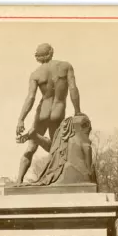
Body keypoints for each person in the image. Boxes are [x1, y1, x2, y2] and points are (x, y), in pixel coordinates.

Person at [15, 43, 83, 184]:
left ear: (38, 57)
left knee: (31, 148)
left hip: (42, 112)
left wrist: (21, 119)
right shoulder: (65, 66)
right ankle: (57, 177)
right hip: (58, 112)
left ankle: (18, 180)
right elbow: (73, 88)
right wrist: (77, 111)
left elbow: (31, 98)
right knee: (56, 148)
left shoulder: (36, 74)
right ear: (51, 52)